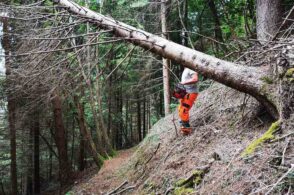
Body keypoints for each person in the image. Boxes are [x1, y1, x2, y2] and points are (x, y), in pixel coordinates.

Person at [178, 67, 199, 135]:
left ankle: (186, 130)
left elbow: (195, 79)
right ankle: (183, 125)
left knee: (184, 110)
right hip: (185, 93)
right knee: (180, 109)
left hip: (191, 93)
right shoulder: (185, 69)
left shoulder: (191, 68)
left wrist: (183, 83)